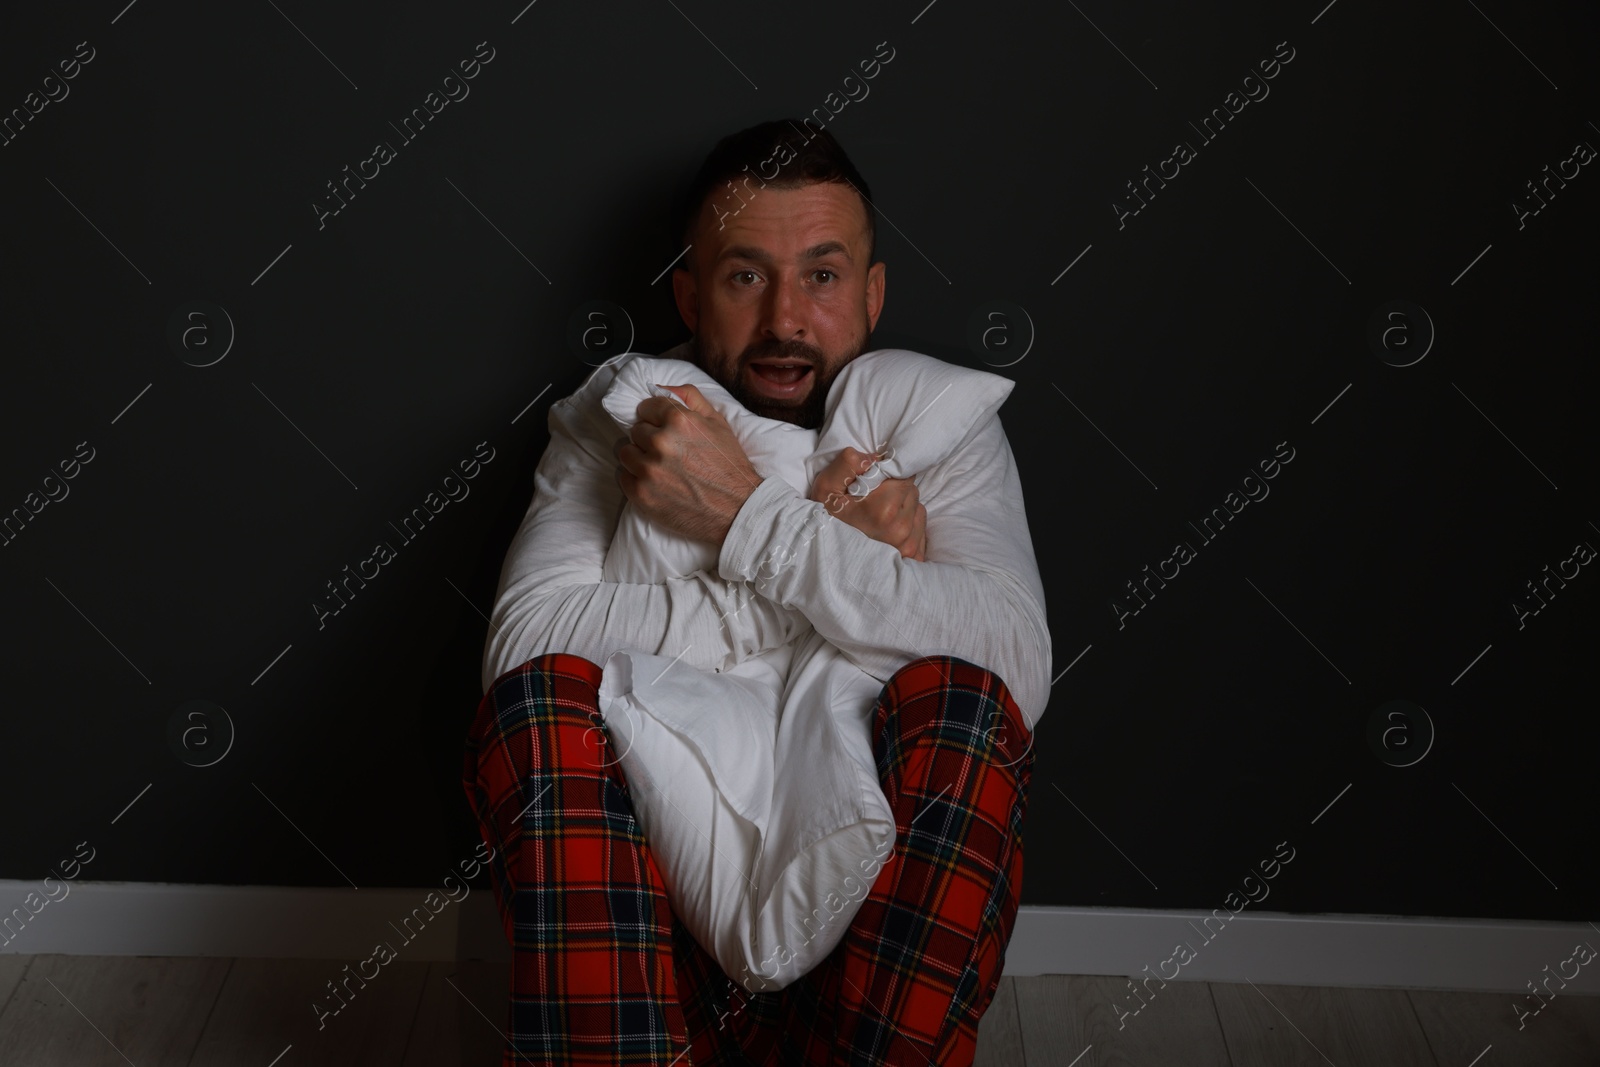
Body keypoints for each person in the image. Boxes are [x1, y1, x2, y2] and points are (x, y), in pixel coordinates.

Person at [463, 118, 1051, 1066]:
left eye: (822, 274)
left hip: (882, 944)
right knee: (536, 707)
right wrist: (825, 571)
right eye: (745, 276)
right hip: (638, 936)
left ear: (872, 291)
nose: (785, 318)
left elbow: (1016, 660)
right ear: (689, 293)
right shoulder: (622, 418)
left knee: (967, 710)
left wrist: (747, 521)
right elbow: (526, 644)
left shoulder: (933, 428)